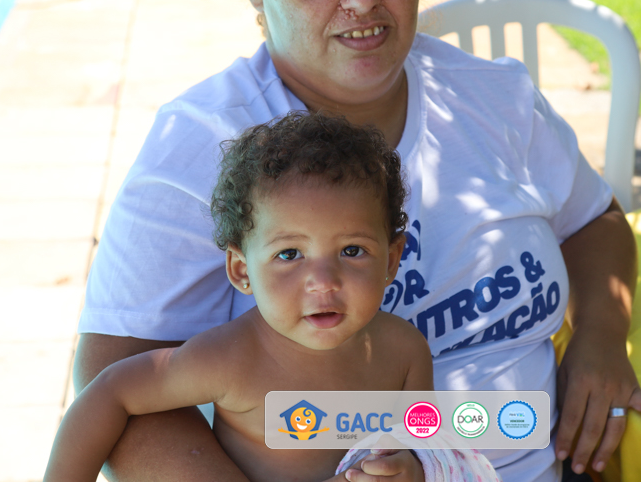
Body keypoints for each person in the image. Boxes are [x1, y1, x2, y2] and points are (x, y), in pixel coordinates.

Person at [75, 0, 641, 482]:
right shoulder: (200, 147)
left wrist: (600, 336)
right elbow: (115, 380)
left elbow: (593, 219)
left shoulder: (494, 98)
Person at [47, 112, 450, 481]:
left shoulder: (404, 352)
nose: (323, 281)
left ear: (391, 260)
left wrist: (412, 468)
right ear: (242, 271)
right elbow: (111, 392)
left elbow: (426, 444)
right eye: (289, 254)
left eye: (352, 250)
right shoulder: (230, 359)